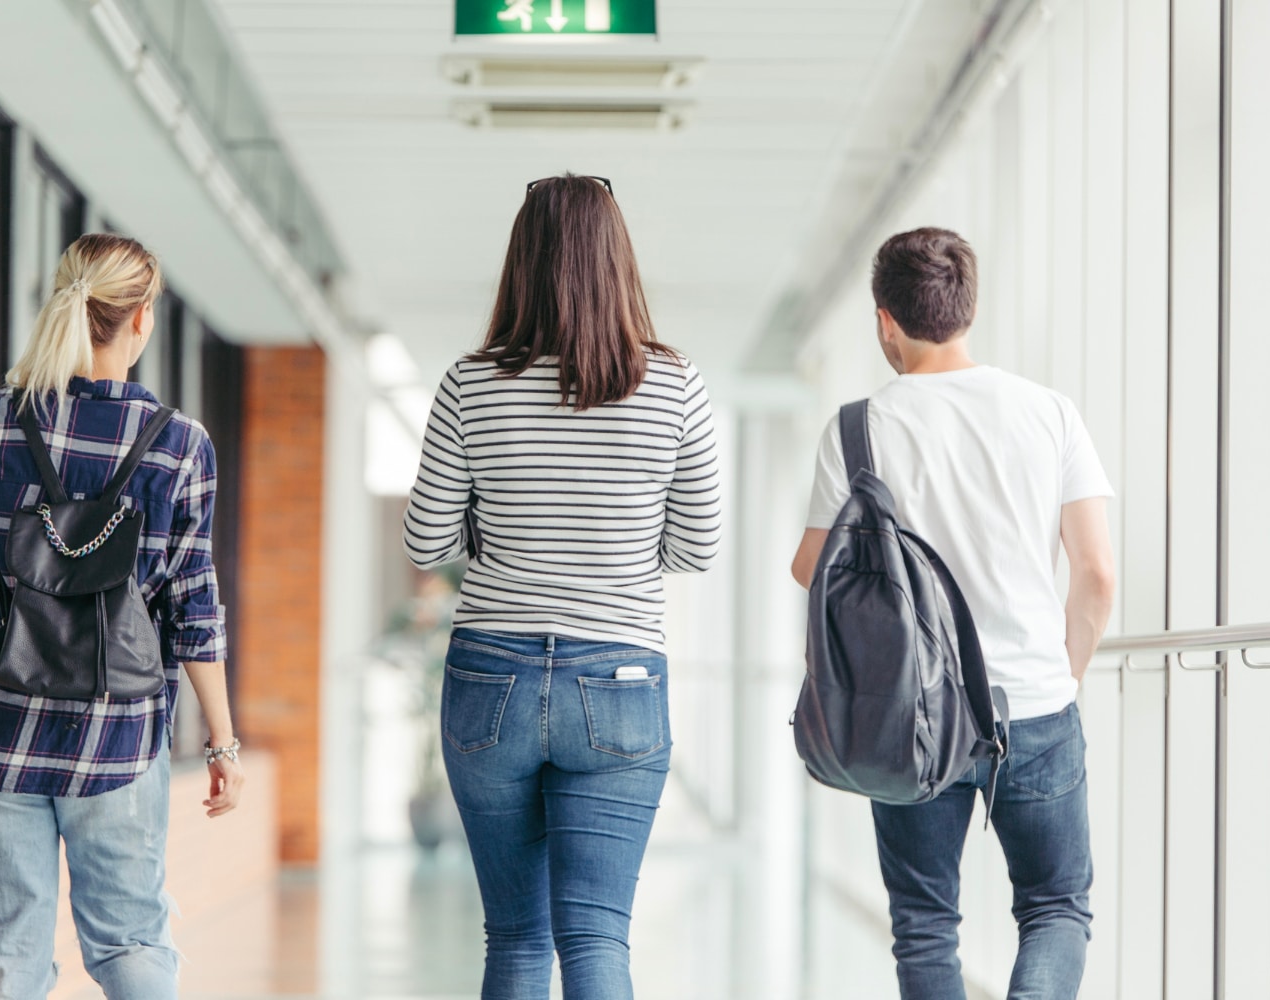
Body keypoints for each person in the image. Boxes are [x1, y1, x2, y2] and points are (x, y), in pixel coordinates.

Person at [403, 173, 722, 1000]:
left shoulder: (469, 385)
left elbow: (427, 539)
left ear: (522, 262)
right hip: (620, 677)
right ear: (618, 261)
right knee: (595, 937)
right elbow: (696, 548)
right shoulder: (676, 385)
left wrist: (499, 528)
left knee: (514, 938)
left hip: (489, 679)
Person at [0, 233, 242, 1000]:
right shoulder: (179, 446)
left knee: (11, 954)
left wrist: (14, 565)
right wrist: (222, 740)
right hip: (116, 729)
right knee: (130, 940)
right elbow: (194, 604)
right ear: (141, 319)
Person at [790, 228, 1116, 1000]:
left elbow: (811, 567)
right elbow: (1097, 572)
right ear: (967, 309)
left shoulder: (858, 428)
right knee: (1055, 907)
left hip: (909, 712)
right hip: (1032, 704)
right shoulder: (1049, 413)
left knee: (925, 920)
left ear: (884, 321)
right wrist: (1058, 674)